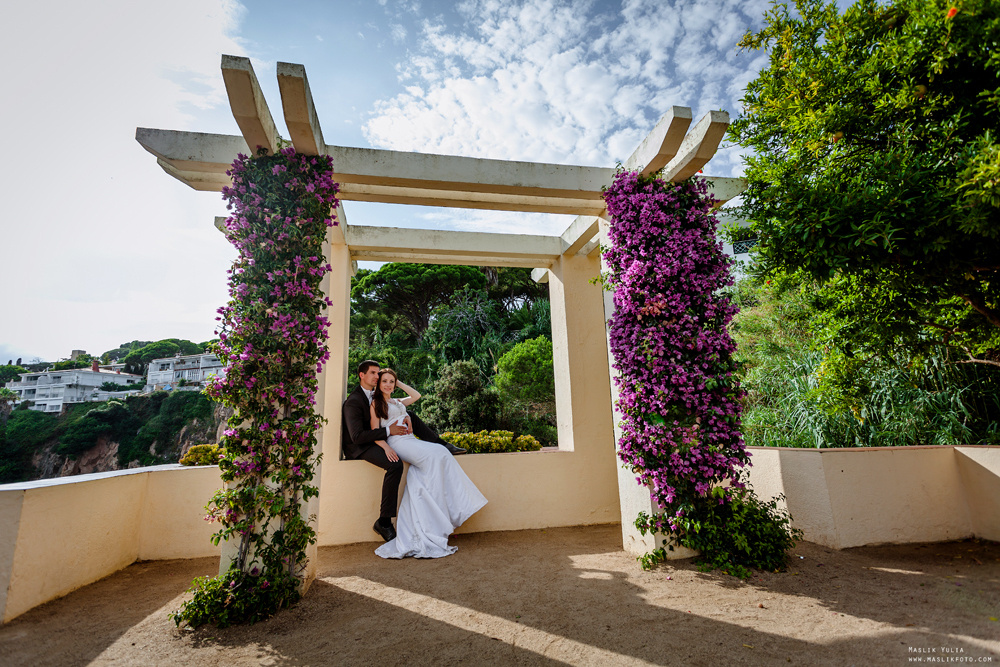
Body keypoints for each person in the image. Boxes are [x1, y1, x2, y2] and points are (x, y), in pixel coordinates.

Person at [341, 360, 467, 543]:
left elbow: (399, 404)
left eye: (378, 374)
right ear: (362, 375)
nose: (377, 377)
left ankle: (441, 443)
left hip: (380, 437)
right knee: (395, 465)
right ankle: (384, 521)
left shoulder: (377, 395)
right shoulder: (353, 401)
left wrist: (403, 415)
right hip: (361, 446)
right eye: (373, 373)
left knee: (410, 415)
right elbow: (357, 436)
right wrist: (388, 434)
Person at [371, 368, 487, 559]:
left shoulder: (397, 401)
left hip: (411, 441)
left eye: (391, 381)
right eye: (385, 381)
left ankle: (437, 510)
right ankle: (440, 510)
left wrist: (397, 383)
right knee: (437, 455)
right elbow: (375, 431)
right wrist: (386, 448)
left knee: (441, 452)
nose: (388, 385)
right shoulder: (377, 403)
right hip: (397, 443)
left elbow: (416, 395)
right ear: (378, 383)